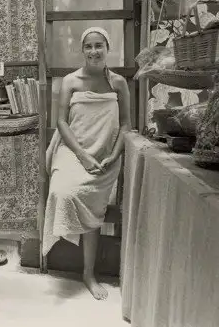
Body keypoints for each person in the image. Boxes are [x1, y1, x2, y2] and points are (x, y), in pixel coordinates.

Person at [42, 27, 131, 300]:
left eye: (99, 45)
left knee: (92, 202)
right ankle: (67, 257)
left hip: (105, 155)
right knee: (62, 192)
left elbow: (126, 124)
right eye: (89, 46)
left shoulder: (118, 83)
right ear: (82, 50)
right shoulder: (70, 81)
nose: (94, 51)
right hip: (72, 150)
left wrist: (113, 155)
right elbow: (61, 122)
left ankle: (88, 274)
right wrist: (82, 155)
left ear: (108, 48)